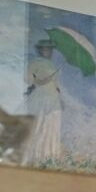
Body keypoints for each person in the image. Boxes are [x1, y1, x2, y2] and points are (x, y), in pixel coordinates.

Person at [22, 37, 62, 165]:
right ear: (40, 50)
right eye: (46, 49)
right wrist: (41, 81)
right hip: (41, 97)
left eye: (50, 49)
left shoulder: (52, 64)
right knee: (39, 124)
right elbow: (28, 79)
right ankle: (35, 157)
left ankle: (48, 157)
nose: (49, 52)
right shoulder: (35, 63)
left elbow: (54, 83)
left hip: (53, 98)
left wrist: (57, 88)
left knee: (51, 125)